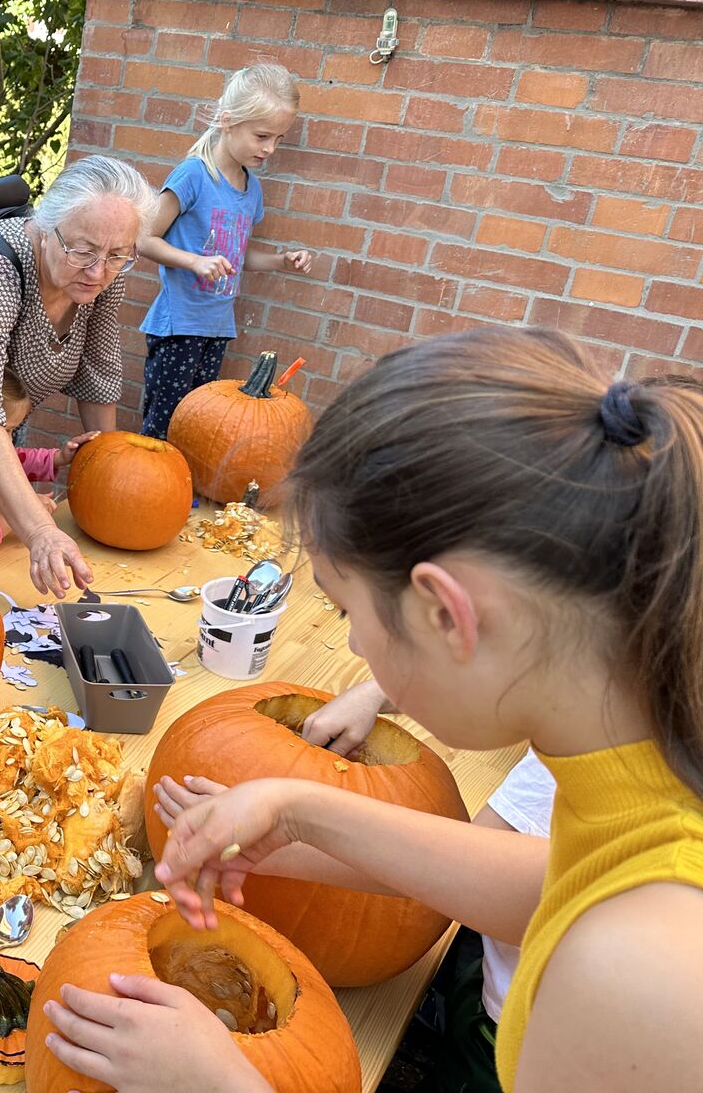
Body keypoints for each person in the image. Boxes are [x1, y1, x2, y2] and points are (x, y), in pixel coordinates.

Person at [42, 327, 703, 1093]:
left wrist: (224, 1084)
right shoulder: (647, 758)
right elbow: (557, 879)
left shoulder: (641, 975)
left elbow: (601, 919)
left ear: (446, 615)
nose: (353, 645)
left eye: (347, 608)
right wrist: (299, 812)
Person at [164, 675, 557, 1093]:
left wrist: (226, 1084)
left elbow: (499, 887)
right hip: (502, 999)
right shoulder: (599, 724)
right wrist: (380, 691)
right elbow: (495, 867)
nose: (354, 643)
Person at [0, 154, 155, 598]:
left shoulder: (101, 270)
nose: (99, 272)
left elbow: (99, 371)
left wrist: (112, 482)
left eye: (118, 255)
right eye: (83, 251)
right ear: (45, 226)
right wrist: (40, 532)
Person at [136, 63, 315, 438]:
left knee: (195, 427)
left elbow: (237, 257)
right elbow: (144, 239)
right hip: (179, 327)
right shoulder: (194, 175)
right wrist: (195, 262)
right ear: (228, 121)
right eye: (262, 136)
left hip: (217, 329)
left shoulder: (252, 189)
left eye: (279, 138)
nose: (270, 148)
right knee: (163, 426)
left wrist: (281, 260)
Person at [0, 370, 97, 555]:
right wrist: (25, 513)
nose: (8, 441)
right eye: (5, 431)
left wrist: (59, 457)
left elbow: (17, 460)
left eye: (13, 431)